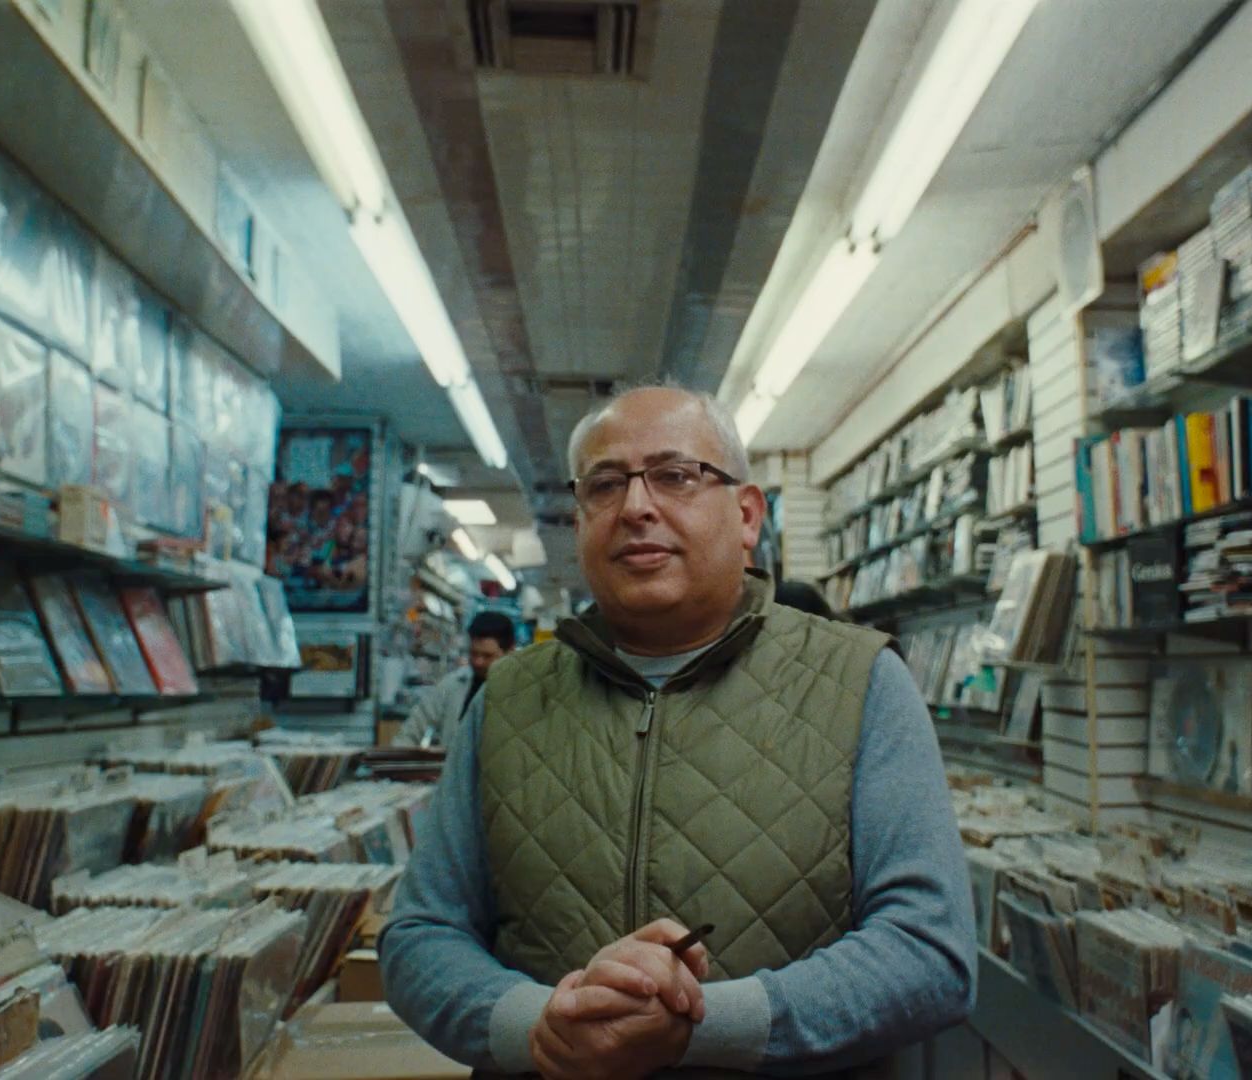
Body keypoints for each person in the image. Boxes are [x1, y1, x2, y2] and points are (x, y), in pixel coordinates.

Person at [381, 386, 975, 1078]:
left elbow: (931, 952)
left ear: (747, 515)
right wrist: (537, 1026)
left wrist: (697, 1027)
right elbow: (420, 934)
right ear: (580, 521)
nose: (636, 506)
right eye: (606, 485)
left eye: (676, 475)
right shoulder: (508, 697)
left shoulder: (862, 681)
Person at [394, 610, 517, 749]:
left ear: (510, 652)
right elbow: (411, 730)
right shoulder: (452, 685)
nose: (478, 662)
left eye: (487, 656)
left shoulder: (523, 691)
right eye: (473, 653)